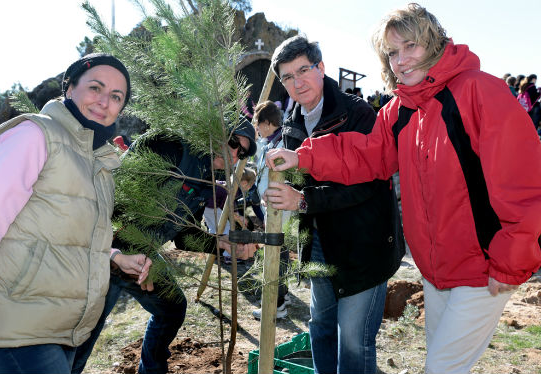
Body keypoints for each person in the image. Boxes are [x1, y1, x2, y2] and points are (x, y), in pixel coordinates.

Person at [266, 4, 541, 373]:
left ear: (432, 42)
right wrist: (303, 157)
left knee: (439, 369)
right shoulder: (399, 110)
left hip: (483, 268)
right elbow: (365, 154)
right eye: (392, 52)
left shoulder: (478, 91)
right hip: (436, 271)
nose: (400, 60)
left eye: (409, 46)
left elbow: (523, 184)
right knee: (442, 364)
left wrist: (509, 262)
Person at [0, 53, 147, 373]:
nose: (104, 101)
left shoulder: (97, 161)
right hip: (16, 328)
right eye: (95, 87)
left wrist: (114, 257)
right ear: (69, 87)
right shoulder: (35, 135)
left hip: (62, 329)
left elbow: (66, 235)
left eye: (116, 96)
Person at [72, 119, 258, 374]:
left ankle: (152, 370)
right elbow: (114, 196)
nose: (236, 153)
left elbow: (183, 234)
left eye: (243, 152)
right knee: (84, 334)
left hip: (143, 258)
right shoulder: (169, 146)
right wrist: (117, 256)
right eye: (233, 142)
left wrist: (221, 244)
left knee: (171, 307)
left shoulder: (204, 180)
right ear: (213, 132)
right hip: (105, 250)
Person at [265, 35, 405, 374]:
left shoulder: (355, 113)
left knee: (354, 341)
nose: (297, 83)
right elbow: (300, 180)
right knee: (321, 327)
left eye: (303, 70)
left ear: (321, 67)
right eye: (287, 77)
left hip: (363, 244)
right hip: (320, 245)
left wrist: (303, 200)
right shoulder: (292, 122)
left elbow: (370, 184)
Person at [250, 100, 292, 320]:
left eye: (258, 123)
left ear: (267, 122)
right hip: (273, 208)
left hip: (279, 210)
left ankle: (276, 305)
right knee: (280, 253)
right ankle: (282, 297)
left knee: (276, 254)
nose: (256, 127)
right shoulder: (269, 141)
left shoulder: (279, 143)